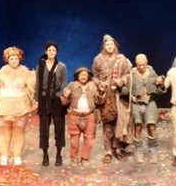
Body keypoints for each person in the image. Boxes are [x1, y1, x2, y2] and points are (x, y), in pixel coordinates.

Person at [0, 47, 36, 166]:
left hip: (20, 107)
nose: (14, 61)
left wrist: (33, 103)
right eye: (11, 58)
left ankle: (17, 156)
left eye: (16, 58)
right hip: (4, 107)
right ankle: (4, 156)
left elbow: (31, 91)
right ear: (7, 59)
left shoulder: (26, 73)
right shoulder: (1, 72)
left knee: (19, 131)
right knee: (4, 132)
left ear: (20, 59)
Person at [92, 34, 133, 164]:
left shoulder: (121, 59)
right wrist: (100, 83)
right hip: (106, 95)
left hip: (119, 95)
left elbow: (127, 74)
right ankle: (108, 151)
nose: (109, 46)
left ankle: (118, 149)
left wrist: (121, 81)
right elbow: (94, 76)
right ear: (103, 46)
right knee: (108, 124)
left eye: (111, 44)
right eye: (107, 44)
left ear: (115, 46)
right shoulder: (98, 59)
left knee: (119, 123)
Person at [35, 41, 68, 167]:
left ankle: (59, 154)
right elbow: (38, 84)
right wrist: (37, 100)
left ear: (57, 52)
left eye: (54, 50)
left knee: (59, 128)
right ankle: (45, 154)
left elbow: (64, 83)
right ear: (46, 51)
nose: (51, 52)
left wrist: (60, 94)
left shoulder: (62, 66)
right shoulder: (40, 66)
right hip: (44, 99)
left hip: (57, 99)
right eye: (49, 50)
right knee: (44, 128)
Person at [61, 67, 102, 166]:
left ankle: (85, 158)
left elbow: (99, 101)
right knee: (74, 139)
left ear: (88, 76)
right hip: (75, 115)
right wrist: (65, 95)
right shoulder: (72, 85)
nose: (83, 77)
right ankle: (74, 158)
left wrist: (101, 92)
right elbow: (64, 102)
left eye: (85, 75)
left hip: (89, 115)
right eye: (81, 75)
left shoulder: (92, 85)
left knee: (89, 138)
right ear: (77, 76)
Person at [129, 53, 165, 164]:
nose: (141, 67)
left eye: (143, 64)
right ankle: (139, 150)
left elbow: (158, 90)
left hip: (149, 102)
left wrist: (160, 83)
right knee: (137, 126)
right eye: (139, 65)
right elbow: (127, 88)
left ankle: (153, 149)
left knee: (151, 126)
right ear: (136, 64)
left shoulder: (151, 72)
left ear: (147, 63)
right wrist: (122, 87)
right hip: (136, 103)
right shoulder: (132, 74)